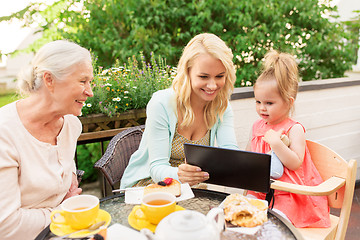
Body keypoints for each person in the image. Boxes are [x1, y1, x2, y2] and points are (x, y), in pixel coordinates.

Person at [0, 40, 94, 239]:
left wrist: (67, 200)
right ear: (49, 79)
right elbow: (6, 225)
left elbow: (67, 183)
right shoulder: (5, 133)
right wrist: (64, 213)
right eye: (82, 81)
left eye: (90, 82)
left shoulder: (71, 124)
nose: (90, 92)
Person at [120, 33, 239, 189]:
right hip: (150, 184)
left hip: (190, 188)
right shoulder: (161, 103)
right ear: (187, 72)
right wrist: (180, 175)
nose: (212, 85)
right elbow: (156, 168)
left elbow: (229, 152)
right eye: (203, 77)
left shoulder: (221, 107)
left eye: (219, 76)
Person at [245, 50, 330, 228]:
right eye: (258, 102)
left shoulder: (294, 129)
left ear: (289, 102)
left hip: (289, 193)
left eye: (269, 103)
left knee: (275, 225)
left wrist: (276, 143)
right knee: (244, 212)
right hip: (261, 189)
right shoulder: (257, 127)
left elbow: (295, 163)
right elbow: (249, 156)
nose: (262, 108)